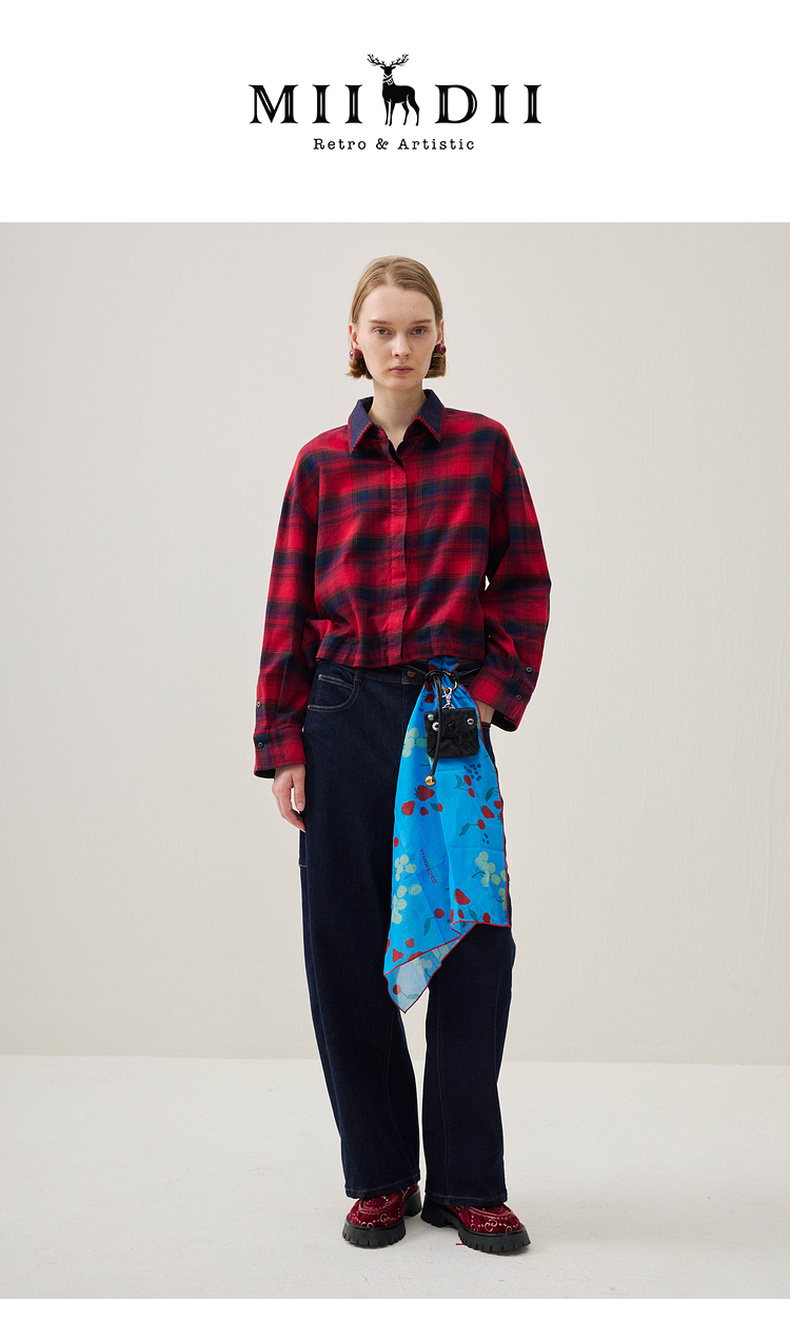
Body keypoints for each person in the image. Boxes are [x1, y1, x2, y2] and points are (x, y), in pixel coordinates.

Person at [253, 256, 550, 1254]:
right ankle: (380, 1177)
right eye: (381, 328)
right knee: (343, 945)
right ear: (354, 339)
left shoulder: (483, 448)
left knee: (473, 940)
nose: (399, 345)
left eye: (417, 328)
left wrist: (490, 695)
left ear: (438, 337)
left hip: (447, 718)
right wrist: (282, 742)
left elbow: (526, 583)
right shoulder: (317, 466)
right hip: (340, 717)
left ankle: (467, 1183)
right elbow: (287, 611)